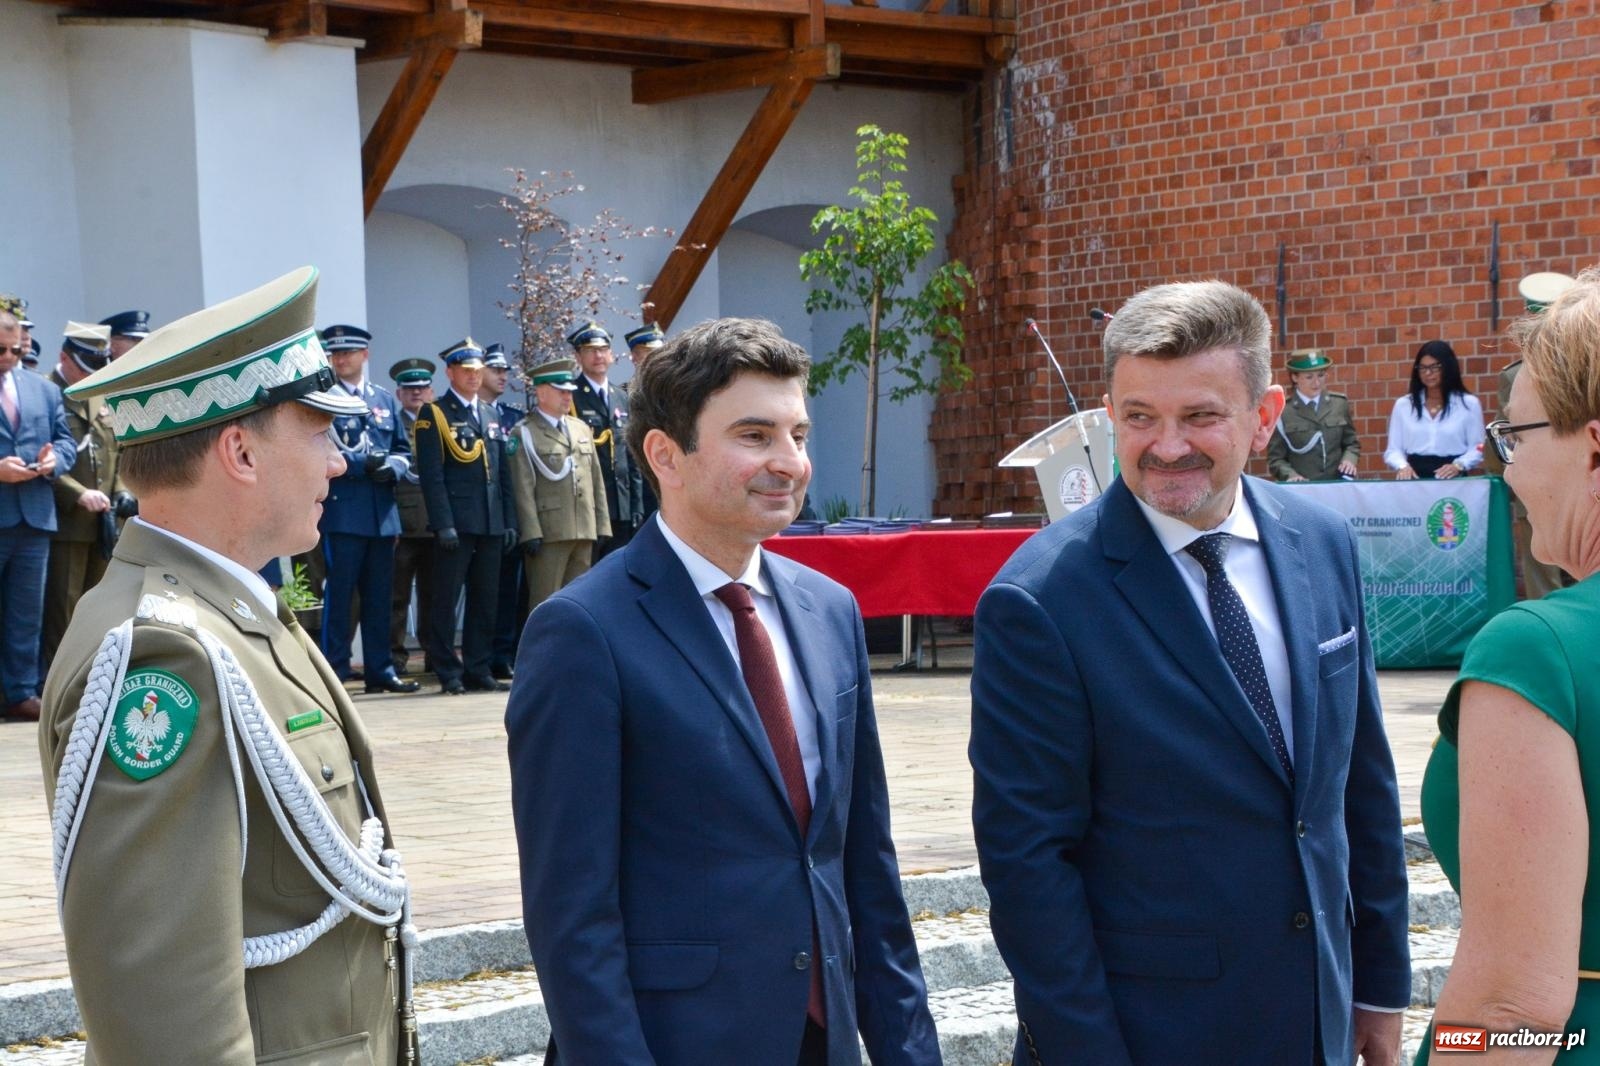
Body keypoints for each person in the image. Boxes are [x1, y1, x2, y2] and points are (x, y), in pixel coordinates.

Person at [969, 280, 1411, 1066]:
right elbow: (1029, 864)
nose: (1166, 445)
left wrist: (1377, 985)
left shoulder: (1322, 542)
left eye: (1200, 416)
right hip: (1153, 1036)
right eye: (1139, 417)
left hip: (1321, 1021)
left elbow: (1357, 784)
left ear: (1264, 415)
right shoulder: (1040, 600)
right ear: (1110, 414)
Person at [507, 317, 940, 1066]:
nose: (790, 462)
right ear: (665, 455)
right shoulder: (582, 632)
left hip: (820, 1039)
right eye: (755, 436)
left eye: (798, 435)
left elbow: (865, 868)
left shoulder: (830, 611)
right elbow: (571, 916)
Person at [38, 266, 414, 1063]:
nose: (339, 462)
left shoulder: (228, 614)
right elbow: (158, 992)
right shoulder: (162, 650)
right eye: (319, 433)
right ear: (240, 452)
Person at [1419, 265, 1600, 1062]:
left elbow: (1507, 1008)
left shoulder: (1535, 646)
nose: (1508, 468)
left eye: (1514, 437)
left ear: (1594, 446)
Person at [316, 324, 419, 694]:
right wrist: (362, 466)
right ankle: (335, 669)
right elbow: (322, 450)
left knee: (380, 598)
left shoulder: (383, 399)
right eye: (336, 353)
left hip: (381, 515)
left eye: (349, 352)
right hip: (344, 513)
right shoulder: (323, 397)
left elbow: (403, 450)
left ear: (365, 355)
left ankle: (380, 669)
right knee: (340, 598)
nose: (341, 359)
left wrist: (393, 466)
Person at [413, 338, 517, 695]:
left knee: (485, 599)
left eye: (478, 371)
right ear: (451, 372)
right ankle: (447, 670)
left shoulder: (489, 413)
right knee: (446, 598)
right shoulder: (436, 413)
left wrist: (508, 520)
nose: (475, 377)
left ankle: (478, 666)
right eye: (467, 371)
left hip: (489, 520)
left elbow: (502, 473)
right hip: (456, 521)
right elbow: (432, 475)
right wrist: (443, 523)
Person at [42, 322, 134, 672]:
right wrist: (78, 493)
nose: (92, 373)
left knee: (102, 606)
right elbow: (46, 455)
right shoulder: (48, 391)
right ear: (65, 356)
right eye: (85, 364)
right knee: (63, 609)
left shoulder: (102, 392)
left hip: (106, 521)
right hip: (65, 519)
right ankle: (63, 679)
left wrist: (122, 491)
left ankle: (99, 675)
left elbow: (120, 451)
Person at [0, 307, 77, 722]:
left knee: (26, 614)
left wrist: (55, 460)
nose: (9, 357)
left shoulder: (43, 391)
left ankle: (21, 692)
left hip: (33, 515)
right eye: (0, 350)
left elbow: (66, 442)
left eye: (15, 349)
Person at [1486, 271, 1579, 601]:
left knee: (1545, 584)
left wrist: (1507, 476)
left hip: (1544, 488)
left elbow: (1503, 442)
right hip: (1578, 485)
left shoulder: (1517, 376)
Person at [507, 355, 609, 614]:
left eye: (569, 391)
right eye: (561, 391)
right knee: (546, 602)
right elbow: (523, 487)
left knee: (581, 602)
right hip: (550, 531)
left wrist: (602, 524)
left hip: (583, 527)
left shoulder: (580, 428)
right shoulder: (525, 433)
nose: (568, 397)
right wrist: (530, 531)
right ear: (542, 392)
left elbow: (595, 479)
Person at [569, 321, 645, 558]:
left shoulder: (621, 396)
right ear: (578, 356)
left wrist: (636, 503)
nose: (598, 355)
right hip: (589, 506)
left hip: (621, 503)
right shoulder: (570, 396)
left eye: (603, 349)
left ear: (611, 355)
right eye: (591, 350)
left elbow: (631, 454)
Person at [388, 356, 436, 676]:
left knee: (434, 597)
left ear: (431, 391)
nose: (416, 393)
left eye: (421, 388)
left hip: (434, 523)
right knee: (397, 597)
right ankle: (395, 656)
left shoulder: (439, 423)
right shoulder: (394, 423)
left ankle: (434, 655)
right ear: (399, 393)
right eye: (410, 389)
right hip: (403, 526)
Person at [482, 343, 526, 680]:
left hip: (509, 517)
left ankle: (503, 653)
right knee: (487, 593)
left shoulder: (511, 416)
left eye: (504, 371)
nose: (502, 376)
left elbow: (512, 476)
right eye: (495, 370)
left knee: (509, 592)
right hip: (482, 517)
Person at [1383, 339, 1484, 479]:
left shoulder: (1469, 404)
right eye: (1423, 368)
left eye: (1434, 367)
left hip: (1453, 477)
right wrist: (1403, 466)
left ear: (1448, 367)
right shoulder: (1404, 405)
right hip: (1414, 477)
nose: (1428, 373)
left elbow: (1478, 448)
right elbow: (1393, 450)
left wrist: (1459, 465)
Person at [1266, 348, 1361, 481]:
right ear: (1295, 377)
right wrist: (1291, 476)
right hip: (1302, 490)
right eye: (1309, 377)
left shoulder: (1339, 404)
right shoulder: (1284, 411)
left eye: (1321, 375)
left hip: (1337, 486)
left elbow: (1351, 444)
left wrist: (1349, 460)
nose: (1316, 382)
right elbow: (1276, 459)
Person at [625, 322, 666, 516]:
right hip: (636, 490)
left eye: (658, 352)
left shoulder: (675, 394)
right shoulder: (623, 396)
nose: (653, 358)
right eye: (647, 352)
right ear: (634, 357)